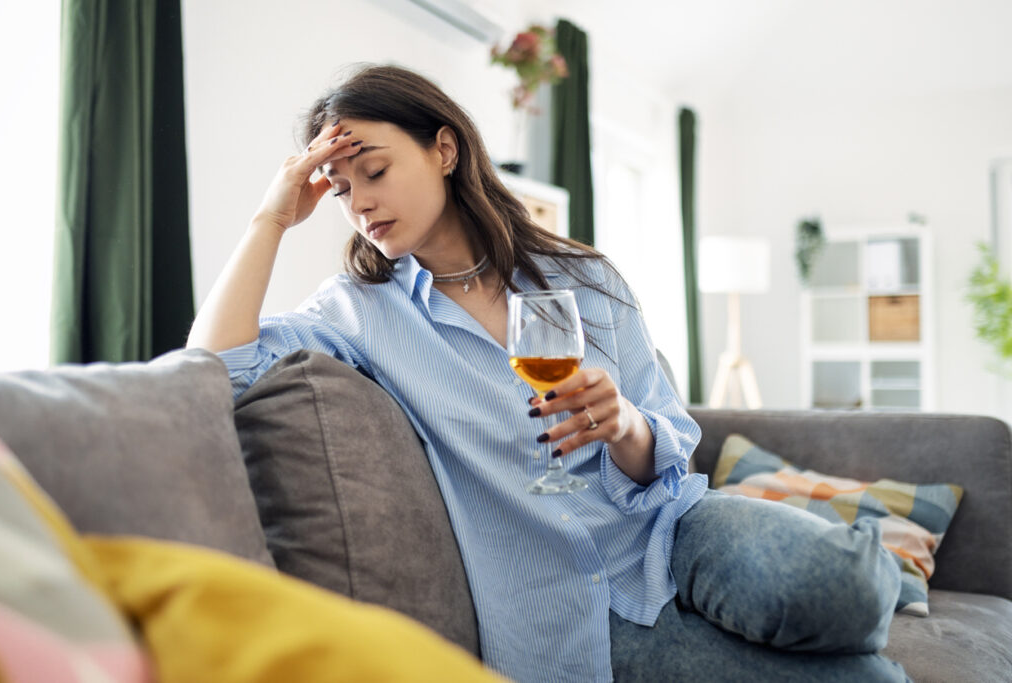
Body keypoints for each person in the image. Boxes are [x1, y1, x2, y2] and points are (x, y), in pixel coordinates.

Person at [187, 64, 908, 682]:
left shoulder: (585, 277)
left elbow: (671, 436)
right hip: (563, 606)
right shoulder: (359, 311)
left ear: (444, 149)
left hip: (669, 527)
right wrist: (270, 219)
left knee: (838, 583)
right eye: (339, 189)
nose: (360, 201)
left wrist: (623, 423)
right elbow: (215, 367)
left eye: (373, 170)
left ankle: (892, 571)